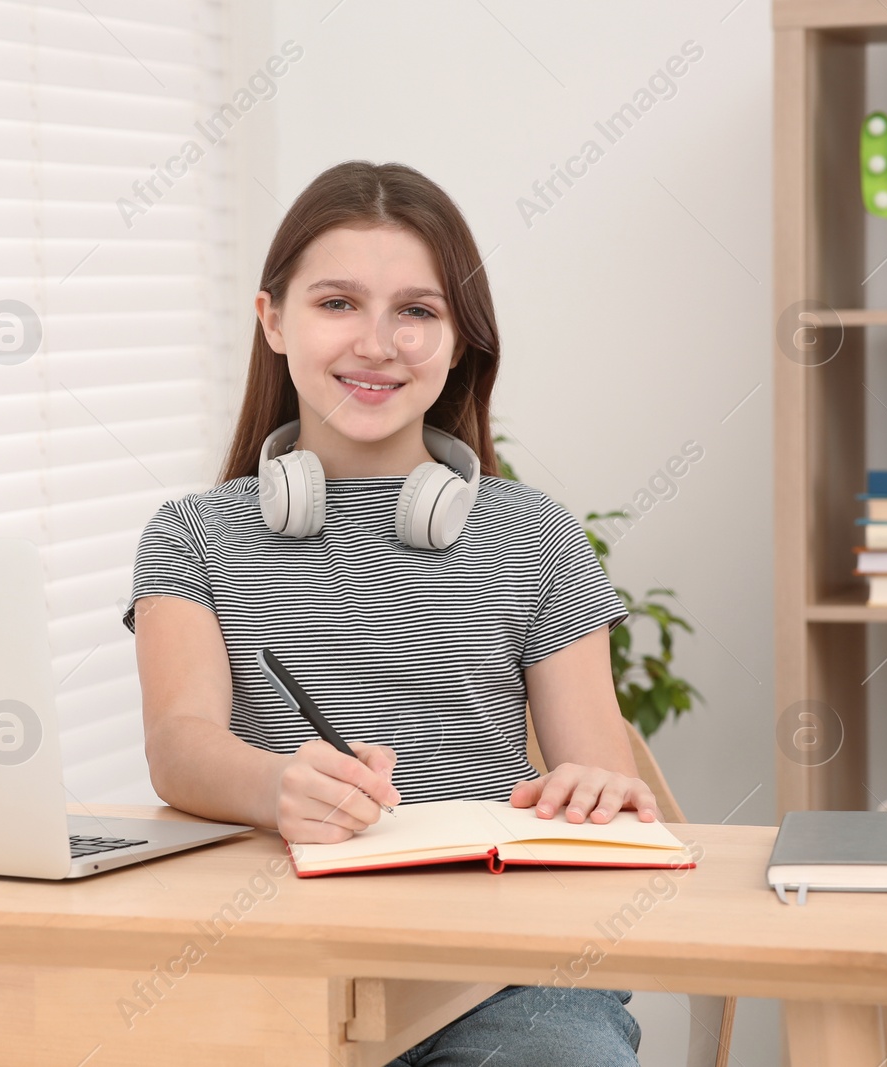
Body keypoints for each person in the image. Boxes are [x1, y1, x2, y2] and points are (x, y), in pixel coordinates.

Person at [121, 159, 657, 1065]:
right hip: (276, 954)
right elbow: (179, 743)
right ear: (273, 319)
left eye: (416, 310)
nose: (377, 343)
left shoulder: (537, 535)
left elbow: (596, 765)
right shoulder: (193, 536)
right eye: (337, 303)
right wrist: (276, 787)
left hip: (505, 979)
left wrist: (597, 792)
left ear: (457, 343)